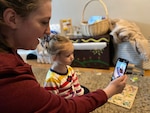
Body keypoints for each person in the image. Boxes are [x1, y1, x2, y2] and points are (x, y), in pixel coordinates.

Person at [0, 0, 127, 113]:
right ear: (12, 19)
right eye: (44, 22)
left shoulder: (10, 55)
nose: (48, 30)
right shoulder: (10, 77)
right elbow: (64, 108)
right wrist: (110, 90)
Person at [43, 34, 89, 99]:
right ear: (55, 57)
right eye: (68, 55)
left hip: (72, 94)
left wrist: (80, 95)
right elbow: (52, 100)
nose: (72, 57)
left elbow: (76, 85)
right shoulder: (52, 79)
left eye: (72, 53)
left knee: (87, 91)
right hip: (64, 103)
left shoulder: (69, 68)